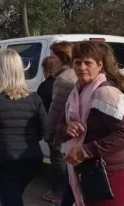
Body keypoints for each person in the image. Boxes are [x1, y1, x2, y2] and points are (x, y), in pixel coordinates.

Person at [55, 41, 124, 206]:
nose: (82, 67)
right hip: (88, 174)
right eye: (77, 62)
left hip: (113, 175)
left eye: (88, 63)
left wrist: (85, 151)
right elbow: (58, 128)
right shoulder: (75, 94)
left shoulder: (105, 93)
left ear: (100, 65)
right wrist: (67, 128)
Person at [0, 47, 48, 206]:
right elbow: (44, 129)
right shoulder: (33, 97)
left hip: (1, 158)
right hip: (30, 157)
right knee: (13, 197)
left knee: (10, 199)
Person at [45, 41, 76, 206]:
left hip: (63, 132)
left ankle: (61, 195)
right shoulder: (73, 75)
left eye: (53, 57)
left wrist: (49, 133)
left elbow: (56, 109)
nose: (51, 61)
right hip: (72, 131)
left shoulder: (63, 79)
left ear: (62, 58)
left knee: (59, 163)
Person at [37, 55, 64, 203]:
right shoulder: (67, 82)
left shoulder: (46, 86)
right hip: (66, 129)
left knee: (58, 162)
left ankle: (59, 192)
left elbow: (40, 110)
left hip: (54, 130)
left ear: (46, 69)